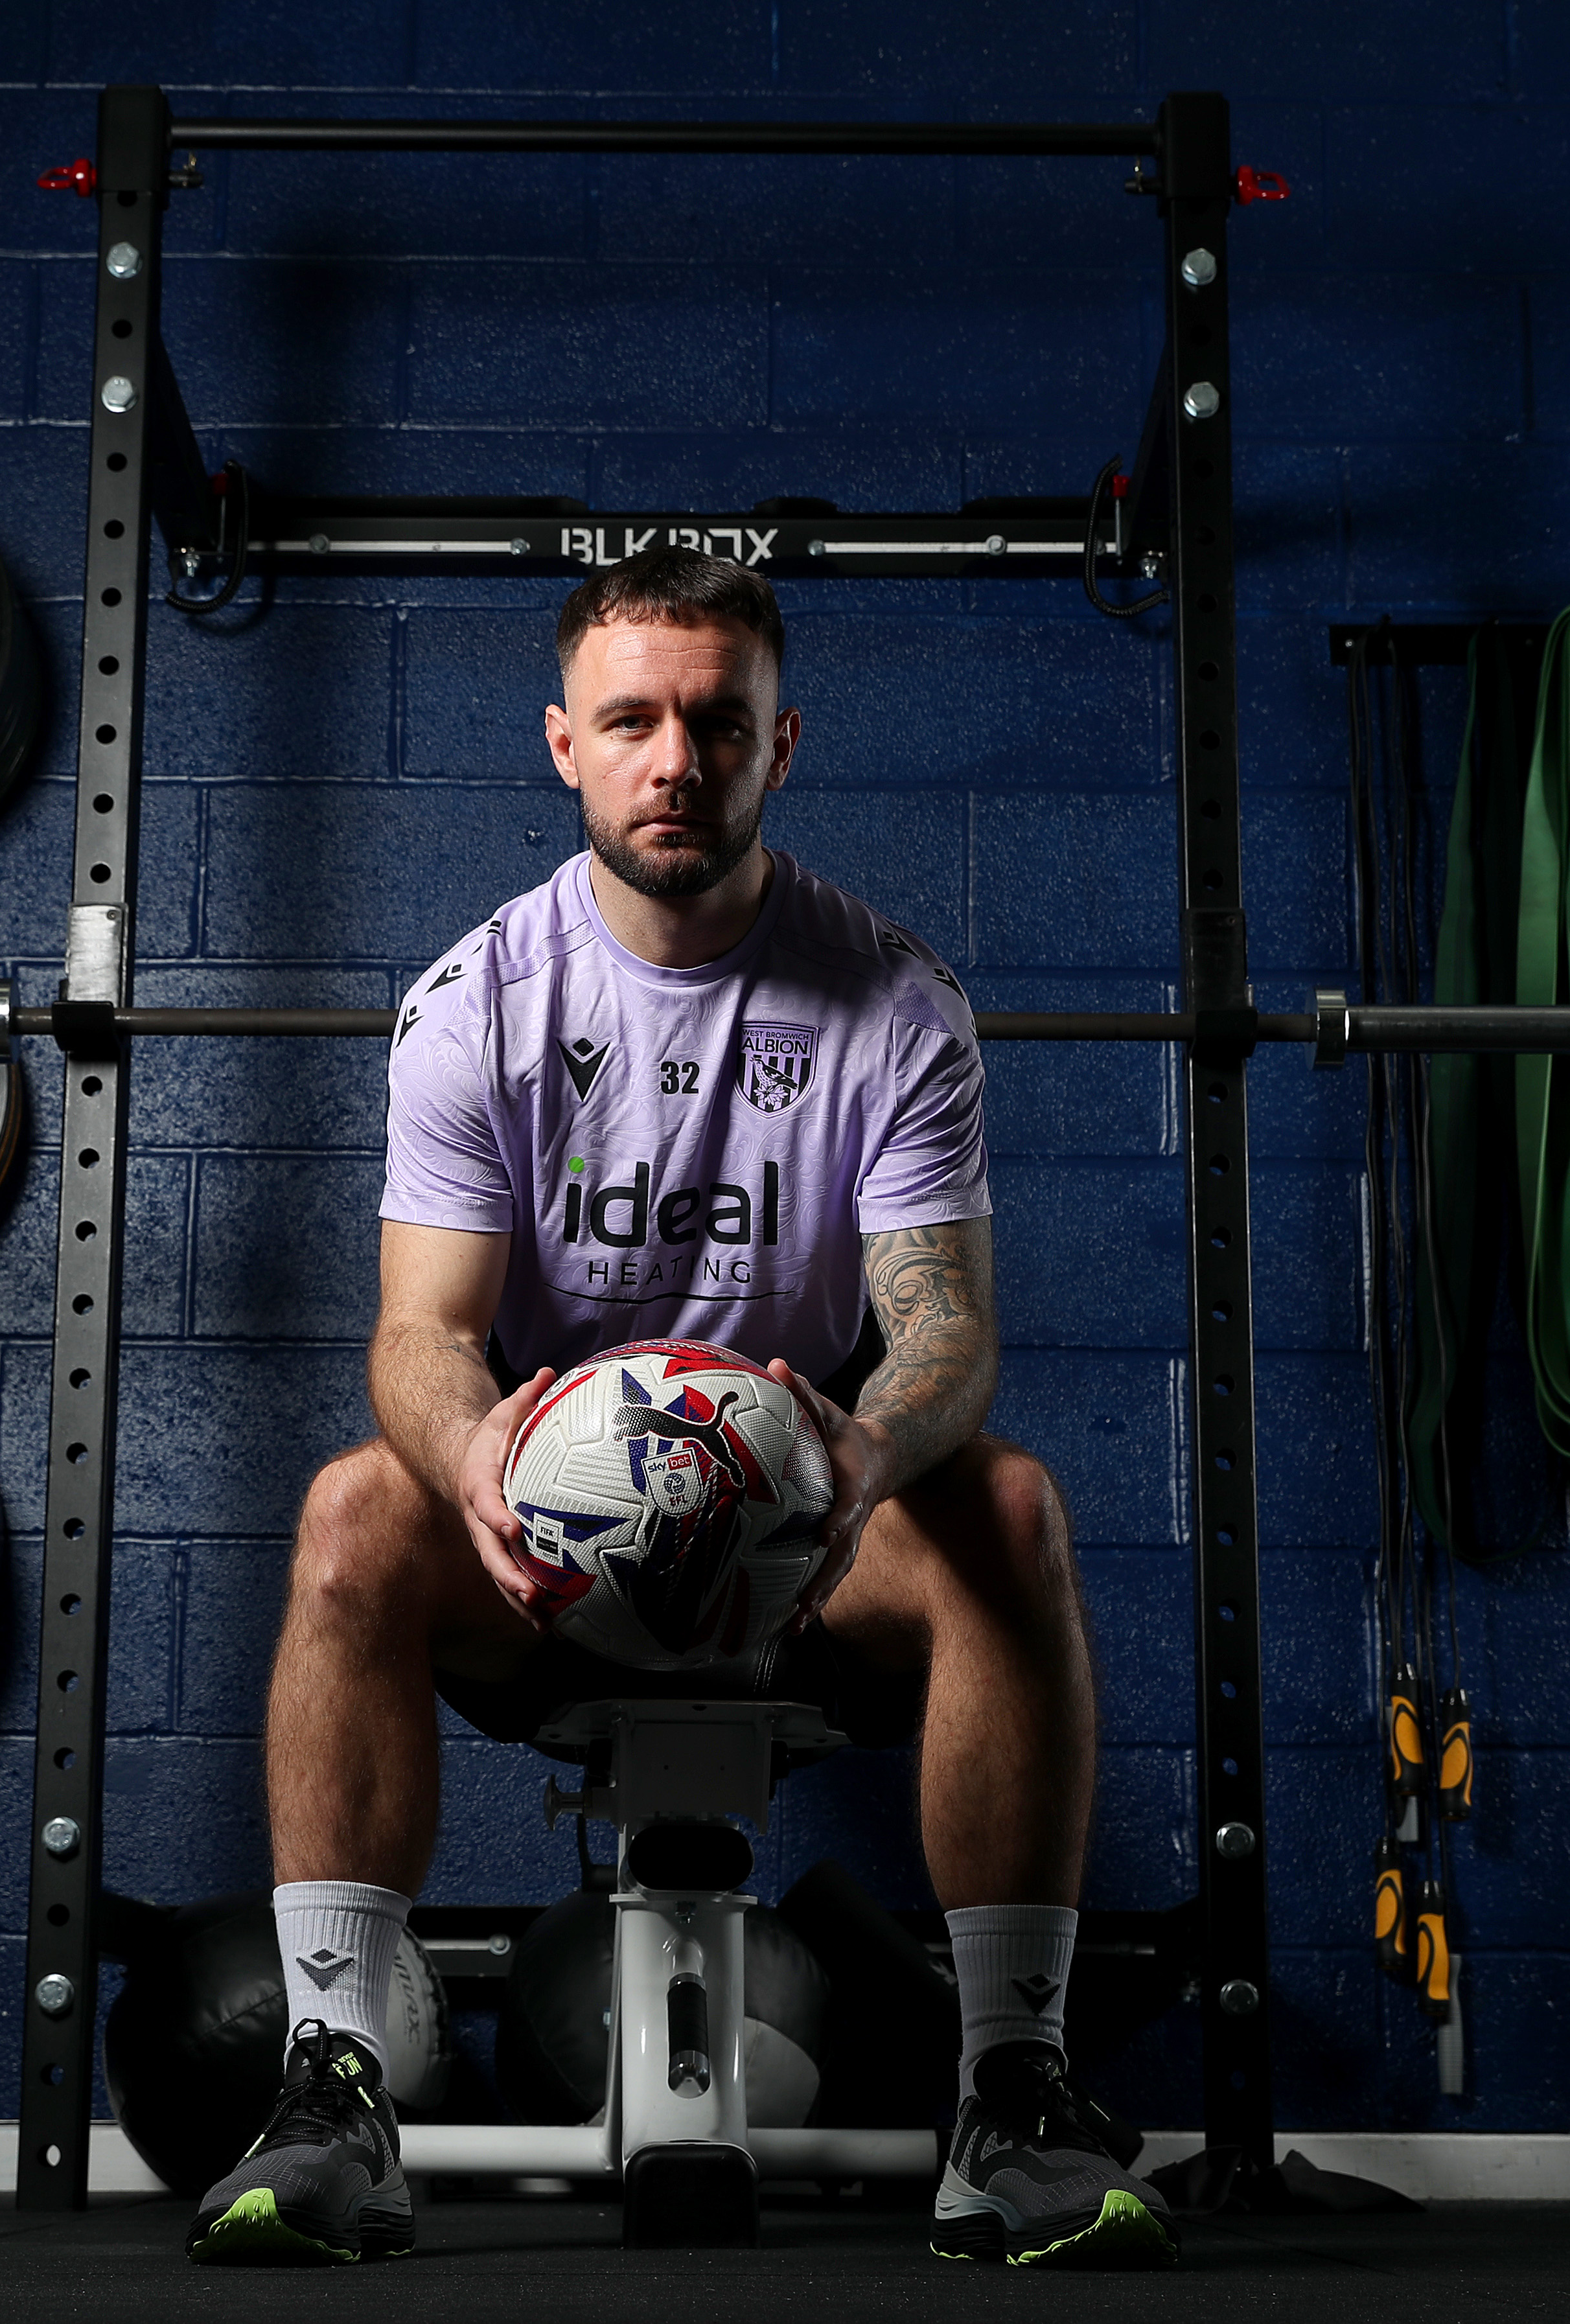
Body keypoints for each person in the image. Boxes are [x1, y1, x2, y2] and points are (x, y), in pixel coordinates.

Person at [189, 548, 1173, 2270]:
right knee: (356, 1505)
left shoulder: (896, 1007)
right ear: (562, 742)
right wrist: (477, 1445)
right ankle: (332, 2083)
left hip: (798, 1550)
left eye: (715, 722)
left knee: (1004, 1507)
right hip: (540, 1559)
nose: (676, 759)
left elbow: (944, 1329)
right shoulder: (476, 1005)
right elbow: (418, 1333)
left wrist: (875, 1444)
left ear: (778, 744)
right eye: (632, 719)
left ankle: (1013, 2092)